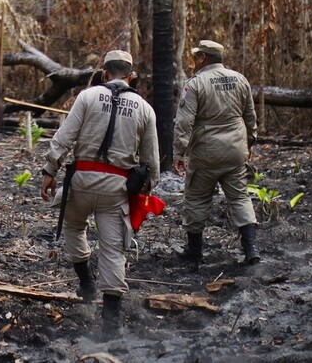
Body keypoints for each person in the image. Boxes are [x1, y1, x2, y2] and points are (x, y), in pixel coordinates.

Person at [40, 50, 160, 338]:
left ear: (104, 73)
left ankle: (86, 282)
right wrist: (148, 186)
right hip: (116, 189)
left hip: (80, 181)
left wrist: (49, 171)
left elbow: (64, 136)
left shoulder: (87, 96)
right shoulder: (144, 109)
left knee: (73, 226)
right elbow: (151, 162)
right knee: (113, 250)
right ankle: (110, 324)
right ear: (131, 76)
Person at [173, 39, 261, 265]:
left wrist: (179, 153)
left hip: (206, 154)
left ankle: (194, 252)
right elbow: (250, 117)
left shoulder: (195, 84)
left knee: (196, 200)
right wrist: (249, 143)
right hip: (235, 152)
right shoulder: (240, 79)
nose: (194, 61)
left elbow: (184, 122)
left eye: (196, 57)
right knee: (240, 197)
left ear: (203, 58)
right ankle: (251, 250)